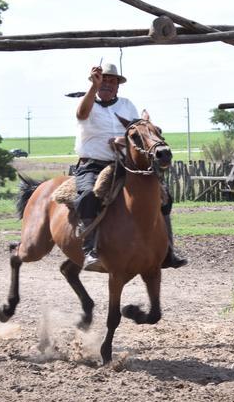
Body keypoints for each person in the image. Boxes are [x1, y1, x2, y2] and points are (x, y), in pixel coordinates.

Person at [74, 61, 187, 271]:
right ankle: (89, 250)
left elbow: (138, 135)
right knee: (88, 195)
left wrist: (122, 140)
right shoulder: (88, 101)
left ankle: (168, 249)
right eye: (103, 80)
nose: (107, 84)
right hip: (93, 164)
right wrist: (93, 87)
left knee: (163, 196)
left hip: (125, 164)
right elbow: (81, 114)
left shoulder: (127, 105)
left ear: (118, 85)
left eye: (111, 81)